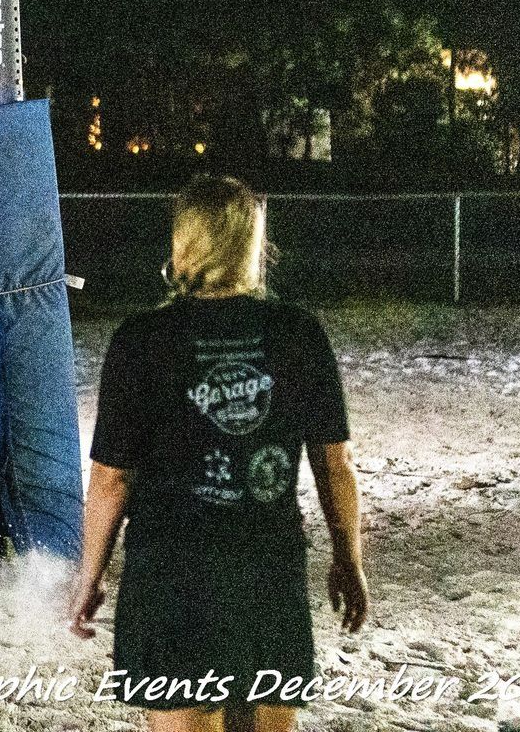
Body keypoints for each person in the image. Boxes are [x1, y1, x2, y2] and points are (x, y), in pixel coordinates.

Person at [68, 176, 368, 731]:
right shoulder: (298, 332)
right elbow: (335, 464)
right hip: (266, 563)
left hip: (170, 568)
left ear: (183, 243)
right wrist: (347, 557)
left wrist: (91, 574)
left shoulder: (141, 338)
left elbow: (111, 478)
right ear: (252, 245)